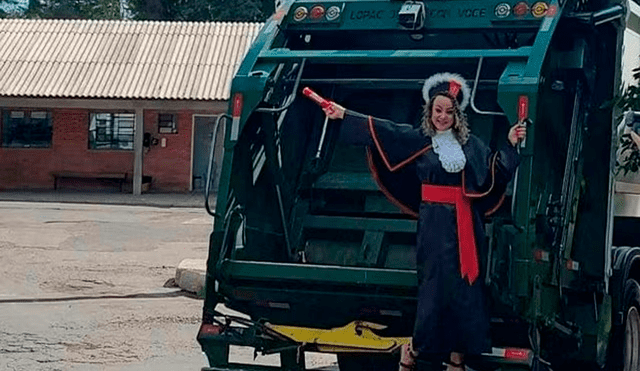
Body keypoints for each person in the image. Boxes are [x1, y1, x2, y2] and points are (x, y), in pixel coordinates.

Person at [320, 72, 527, 371]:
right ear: (430, 112)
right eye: (438, 110)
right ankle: (414, 350)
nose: (442, 116)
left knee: (466, 290)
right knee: (436, 288)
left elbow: (494, 175)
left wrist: (509, 144)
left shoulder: (472, 146)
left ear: (458, 115)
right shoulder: (419, 140)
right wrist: (344, 114)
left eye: (449, 112)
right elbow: (384, 129)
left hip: (467, 225)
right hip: (435, 225)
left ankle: (457, 358)